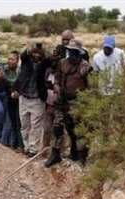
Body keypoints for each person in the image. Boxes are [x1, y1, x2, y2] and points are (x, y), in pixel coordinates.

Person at [47, 39, 91, 167]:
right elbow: (57, 78)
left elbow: (91, 87)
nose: (71, 54)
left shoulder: (85, 67)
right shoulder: (62, 63)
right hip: (62, 100)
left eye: (74, 52)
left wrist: (85, 101)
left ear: (79, 53)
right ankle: (55, 154)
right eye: (70, 51)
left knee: (78, 131)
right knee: (57, 127)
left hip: (78, 103)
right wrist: (56, 86)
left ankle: (82, 157)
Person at [15, 44, 50, 157]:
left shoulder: (45, 65)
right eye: (34, 53)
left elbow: (50, 60)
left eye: (38, 53)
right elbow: (23, 55)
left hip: (37, 99)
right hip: (24, 98)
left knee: (36, 126)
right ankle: (26, 147)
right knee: (24, 125)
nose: (36, 55)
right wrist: (28, 48)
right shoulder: (26, 62)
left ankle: (33, 149)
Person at [2, 51, 23, 150]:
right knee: (13, 122)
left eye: (12, 59)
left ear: (17, 60)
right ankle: (13, 144)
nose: (9, 61)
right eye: (9, 59)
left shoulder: (20, 71)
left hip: (19, 99)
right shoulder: (5, 69)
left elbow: (16, 81)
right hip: (9, 98)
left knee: (19, 122)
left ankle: (21, 145)